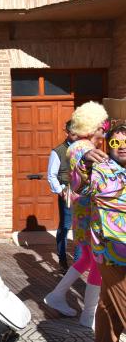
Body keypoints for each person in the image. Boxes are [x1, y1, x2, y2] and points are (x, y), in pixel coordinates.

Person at [44, 101, 108, 328]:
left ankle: (56, 296)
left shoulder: (86, 145)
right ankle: (88, 315)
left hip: (85, 213)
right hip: (89, 216)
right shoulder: (80, 146)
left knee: (86, 259)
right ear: (92, 126)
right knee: (96, 262)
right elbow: (79, 152)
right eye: (103, 124)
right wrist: (88, 154)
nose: (105, 128)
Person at [86, 123, 126, 342]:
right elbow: (81, 185)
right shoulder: (102, 169)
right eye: (115, 142)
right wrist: (83, 159)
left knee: (107, 306)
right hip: (111, 252)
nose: (122, 147)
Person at [47, 121, 80, 272]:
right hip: (66, 191)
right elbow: (52, 175)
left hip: (82, 192)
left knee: (80, 226)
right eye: (73, 134)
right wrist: (60, 190)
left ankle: (79, 263)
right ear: (66, 132)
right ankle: (62, 260)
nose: (76, 137)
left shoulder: (84, 148)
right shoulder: (58, 151)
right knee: (66, 226)